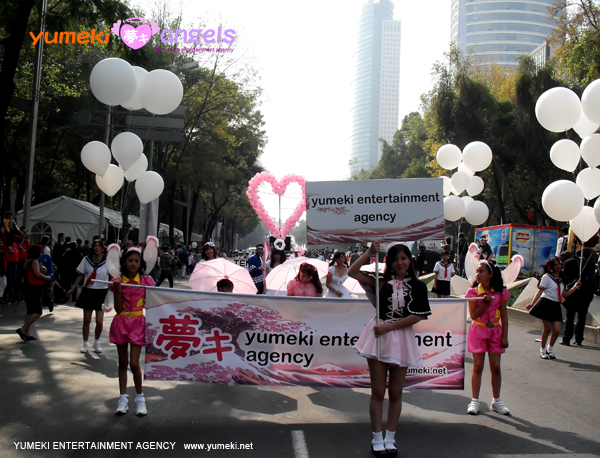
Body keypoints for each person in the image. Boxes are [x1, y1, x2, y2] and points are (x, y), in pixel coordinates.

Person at [349, 242, 431, 455]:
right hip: (377, 337)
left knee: (395, 392)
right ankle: (376, 438)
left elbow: (418, 316)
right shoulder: (381, 282)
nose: (400, 262)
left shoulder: (418, 286)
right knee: (378, 391)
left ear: (410, 260)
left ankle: (390, 438)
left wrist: (390, 327)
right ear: (389, 262)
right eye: (395, 259)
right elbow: (352, 271)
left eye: (404, 258)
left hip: (400, 336)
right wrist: (370, 252)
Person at [110, 247, 155, 416]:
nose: (133, 264)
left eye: (136, 261)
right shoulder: (117, 280)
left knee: (134, 363)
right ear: (124, 263)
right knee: (122, 363)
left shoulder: (146, 280)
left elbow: (155, 301)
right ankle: (122, 399)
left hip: (138, 322)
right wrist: (118, 288)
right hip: (121, 321)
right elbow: (117, 308)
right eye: (130, 261)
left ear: (140, 263)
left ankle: (140, 398)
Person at [465, 260, 510, 416]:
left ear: (490, 274)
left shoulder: (500, 292)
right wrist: (484, 303)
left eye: (481, 271)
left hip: (495, 332)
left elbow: (504, 315)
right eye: (477, 271)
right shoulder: (473, 293)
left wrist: (505, 336)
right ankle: (475, 400)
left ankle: (496, 400)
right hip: (478, 330)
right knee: (478, 366)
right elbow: (473, 315)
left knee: (496, 368)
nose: (477, 274)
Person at [527, 257, 581, 359]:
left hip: (556, 305)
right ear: (551, 267)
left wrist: (575, 287)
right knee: (547, 328)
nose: (558, 266)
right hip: (546, 303)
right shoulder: (547, 277)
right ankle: (542, 350)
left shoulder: (563, 278)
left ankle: (550, 349)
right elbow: (540, 291)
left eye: (559, 264)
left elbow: (564, 294)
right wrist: (532, 303)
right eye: (555, 265)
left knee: (557, 329)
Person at [67, 240, 109, 353]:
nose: (97, 248)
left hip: (102, 292)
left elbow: (114, 275)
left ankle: (96, 342)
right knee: (87, 320)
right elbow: (81, 275)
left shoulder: (108, 261)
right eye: (95, 246)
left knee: (99, 321)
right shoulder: (86, 259)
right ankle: (85, 343)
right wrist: (73, 288)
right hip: (89, 291)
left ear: (102, 248)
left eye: (99, 246)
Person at [561, 236, 598, 346]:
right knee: (582, 316)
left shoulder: (569, 262)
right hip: (587, 292)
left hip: (573, 292)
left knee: (570, 316)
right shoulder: (594, 259)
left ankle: (566, 338)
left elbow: (565, 279)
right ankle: (578, 339)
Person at [16, 245, 51, 342]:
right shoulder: (34, 261)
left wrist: (42, 268)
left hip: (27, 287)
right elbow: (37, 274)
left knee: (30, 311)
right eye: (40, 252)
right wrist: (47, 278)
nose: (41, 253)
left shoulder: (28, 261)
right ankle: (23, 329)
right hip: (34, 288)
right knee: (38, 311)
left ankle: (27, 333)